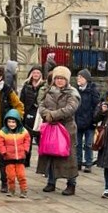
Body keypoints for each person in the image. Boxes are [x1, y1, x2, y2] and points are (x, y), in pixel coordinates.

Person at [37, 65, 79, 195]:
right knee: (50, 155)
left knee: (68, 156)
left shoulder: (72, 93)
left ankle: (71, 184)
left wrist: (53, 115)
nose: (59, 81)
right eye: (57, 78)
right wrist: (46, 114)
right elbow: (41, 105)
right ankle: (51, 182)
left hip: (66, 128)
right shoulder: (48, 91)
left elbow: (70, 108)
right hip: (50, 127)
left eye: (62, 78)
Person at [0, 109, 31, 198]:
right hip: (9, 158)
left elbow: (27, 140)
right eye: (9, 122)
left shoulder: (23, 131)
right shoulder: (3, 132)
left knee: (21, 175)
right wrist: (4, 152)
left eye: (13, 122)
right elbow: (0, 143)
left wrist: (25, 149)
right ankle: (11, 190)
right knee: (10, 176)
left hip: (20, 158)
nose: (11, 124)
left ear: (18, 122)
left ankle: (24, 190)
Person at [19, 65, 46, 168]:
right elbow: (21, 100)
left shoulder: (43, 86)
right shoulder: (26, 85)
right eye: (34, 73)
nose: (36, 75)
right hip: (28, 113)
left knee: (40, 139)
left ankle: (42, 163)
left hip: (38, 115)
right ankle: (26, 160)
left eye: (38, 73)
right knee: (27, 138)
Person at [74, 69, 100, 173]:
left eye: (81, 77)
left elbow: (96, 106)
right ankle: (78, 162)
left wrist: (94, 119)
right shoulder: (75, 90)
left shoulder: (93, 91)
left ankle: (88, 164)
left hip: (89, 122)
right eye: (78, 77)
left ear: (86, 79)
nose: (78, 79)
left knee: (88, 144)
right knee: (77, 144)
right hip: (78, 121)